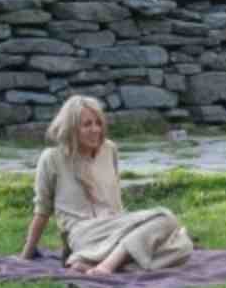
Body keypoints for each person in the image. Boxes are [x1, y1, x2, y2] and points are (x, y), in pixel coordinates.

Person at [17, 96, 193, 275]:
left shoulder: (109, 149)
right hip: (85, 234)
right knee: (165, 218)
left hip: (115, 227)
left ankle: (101, 264)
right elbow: (42, 210)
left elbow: (115, 201)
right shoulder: (52, 158)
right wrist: (26, 255)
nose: (96, 130)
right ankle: (107, 266)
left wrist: (132, 228)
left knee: (183, 247)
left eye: (98, 123)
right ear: (71, 128)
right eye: (87, 124)